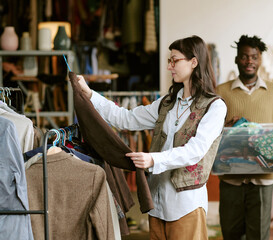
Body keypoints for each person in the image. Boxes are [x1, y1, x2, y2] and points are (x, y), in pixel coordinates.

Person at [75, 35, 227, 240]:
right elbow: (125, 119)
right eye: (169, 60)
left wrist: (153, 159)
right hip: (156, 205)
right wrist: (89, 93)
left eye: (175, 60)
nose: (169, 66)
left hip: (186, 205)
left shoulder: (215, 107)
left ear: (194, 62)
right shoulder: (167, 103)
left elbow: (196, 151)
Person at [216, 35, 273, 240]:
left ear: (260, 60)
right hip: (230, 177)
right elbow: (208, 131)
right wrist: (224, 127)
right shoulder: (220, 92)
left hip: (263, 176)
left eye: (254, 56)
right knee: (231, 233)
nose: (249, 61)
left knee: (259, 235)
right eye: (244, 56)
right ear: (236, 59)